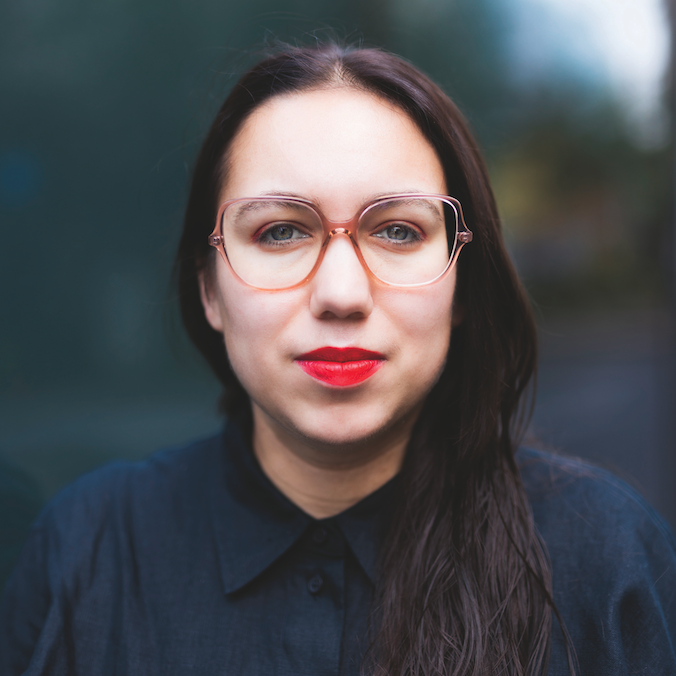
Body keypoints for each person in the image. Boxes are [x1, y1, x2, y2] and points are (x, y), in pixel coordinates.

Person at [1, 42, 674, 676]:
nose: (342, 295)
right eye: (280, 231)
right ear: (209, 288)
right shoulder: (88, 550)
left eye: (399, 230)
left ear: (462, 284)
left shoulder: (605, 559)